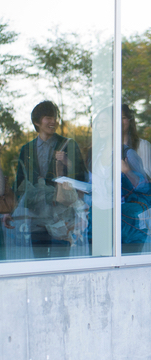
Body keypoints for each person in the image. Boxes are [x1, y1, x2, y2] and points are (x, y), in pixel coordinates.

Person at [3, 101, 87, 258]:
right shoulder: (26, 149)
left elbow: (82, 177)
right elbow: (20, 183)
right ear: (37, 122)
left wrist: (66, 163)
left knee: (61, 261)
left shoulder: (68, 144)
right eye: (48, 117)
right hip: (37, 217)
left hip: (62, 216)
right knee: (40, 261)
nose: (53, 121)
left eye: (55, 117)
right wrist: (10, 211)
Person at [86, 107, 151, 254]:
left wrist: (127, 171)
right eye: (98, 122)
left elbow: (146, 189)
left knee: (127, 266)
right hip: (97, 218)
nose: (100, 126)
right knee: (98, 266)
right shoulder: (94, 153)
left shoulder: (128, 153)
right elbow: (93, 186)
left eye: (104, 121)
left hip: (125, 220)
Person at [122, 104, 151, 180]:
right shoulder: (106, 147)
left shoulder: (143, 145)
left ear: (130, 121)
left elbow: (148, 176)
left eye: (123, 118)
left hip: (135, 191)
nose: (119, 121)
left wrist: (128, 171)